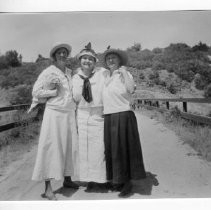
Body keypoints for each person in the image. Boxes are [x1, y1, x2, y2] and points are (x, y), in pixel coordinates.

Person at [31, 43, 79, 200]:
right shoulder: (48, 72)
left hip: (69, 113)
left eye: (65, 52)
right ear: (54, 56)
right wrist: (53, 91)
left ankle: (67, 180)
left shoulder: (70, 72)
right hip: (54, 114)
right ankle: (48, 188)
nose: (63, 55)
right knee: (51, 148)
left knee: (69, 147)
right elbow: (36, 92)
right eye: (59, 53)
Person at [102, 47, 147, 198]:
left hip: (123, 113)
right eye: (109, 58)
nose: (111, 60)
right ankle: (118, 180)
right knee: (113, 150)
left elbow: (131, 89)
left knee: (125, 149)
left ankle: (128, 182)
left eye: (114, 58)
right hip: (109, 115)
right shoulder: (106, 76)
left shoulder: (125, 74)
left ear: (120, 60)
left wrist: (124, 73)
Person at [72, 43, 109, 192]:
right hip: (81, 114)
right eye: (84, 58)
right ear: (80, 60)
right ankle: (88, 179)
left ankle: (100, 179)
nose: (87, 61)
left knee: (98, 147)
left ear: (95, 62)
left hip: (97, 113)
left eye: (90, 59)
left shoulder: (102, 74)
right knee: (84, 148)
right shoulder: (74, 77)